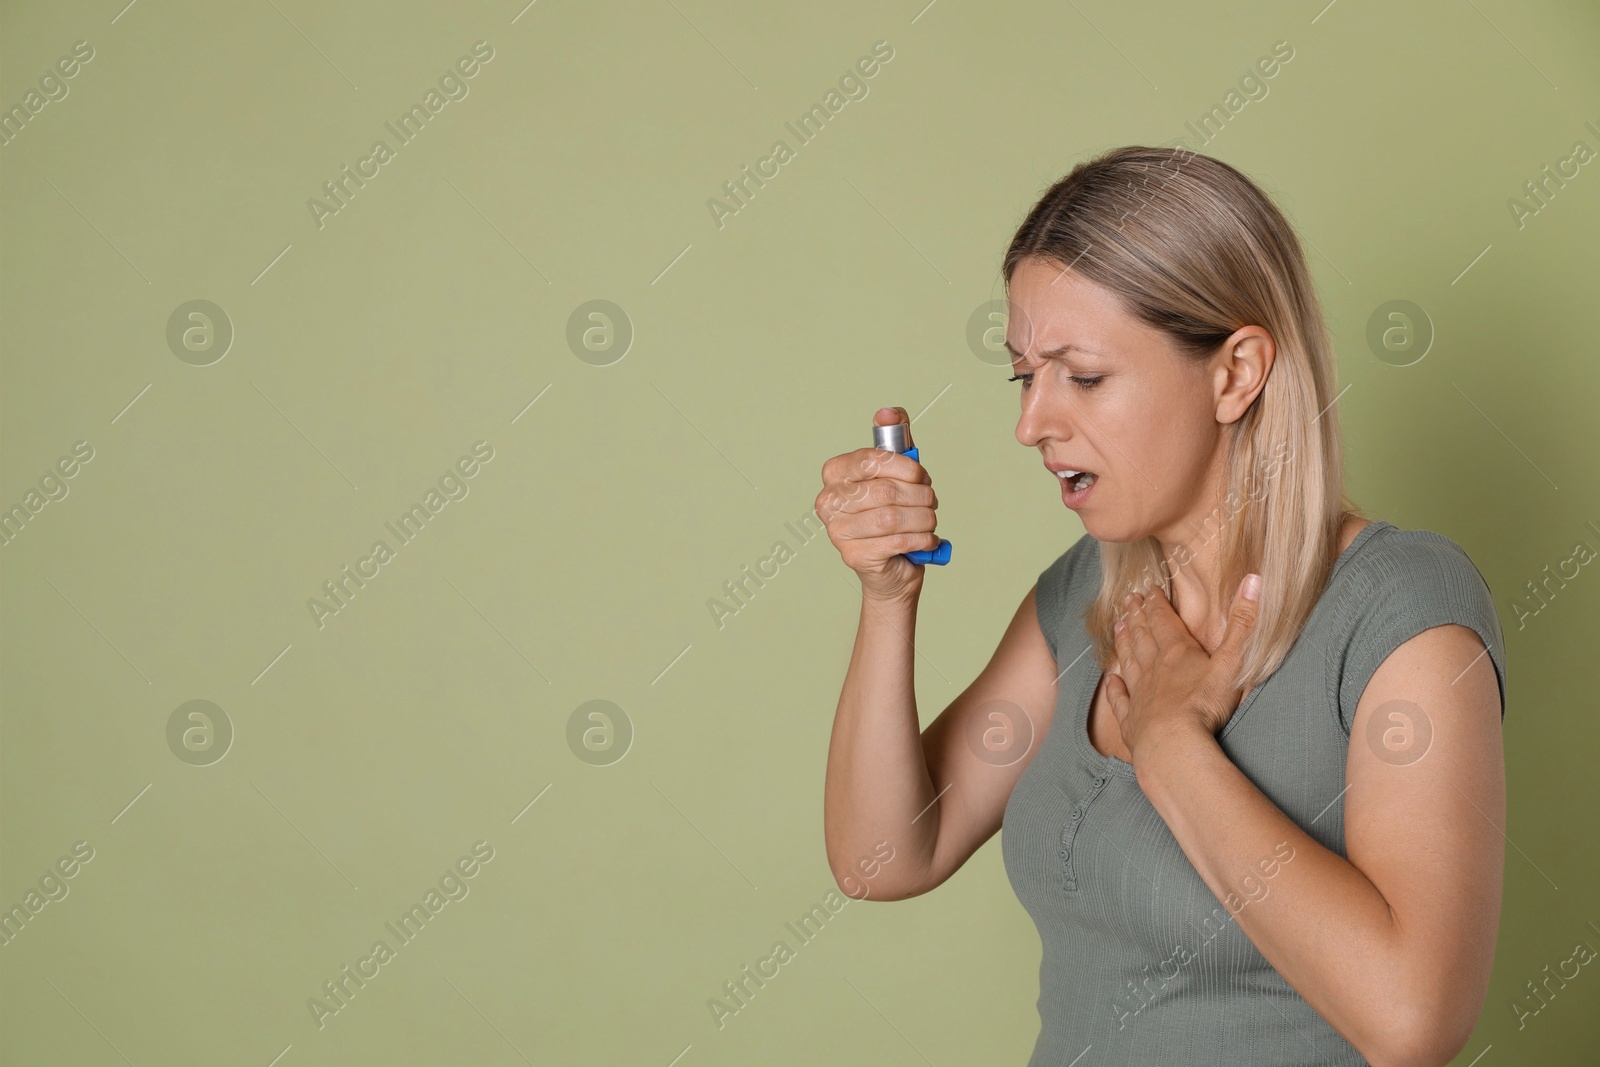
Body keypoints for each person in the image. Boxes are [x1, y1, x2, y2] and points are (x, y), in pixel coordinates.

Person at [817, 144, 1507, 1067]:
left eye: (1084, 376)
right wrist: (887, 597)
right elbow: (885, 856)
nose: (1033, 423)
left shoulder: (1402, 610)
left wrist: (1173, 745)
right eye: (1027, 376)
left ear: (1236, 373)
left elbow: (1413, 1021)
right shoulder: (1082, 597)